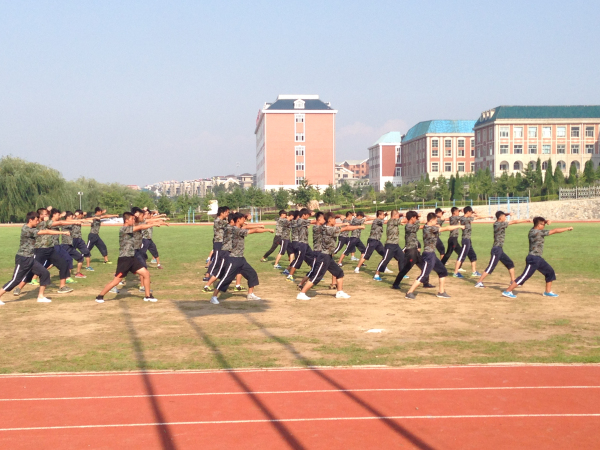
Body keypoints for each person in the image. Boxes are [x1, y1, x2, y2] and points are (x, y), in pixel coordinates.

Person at [0, 211, 69, 304]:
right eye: (36, 220)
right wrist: (63, 232)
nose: (37, 222)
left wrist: (45, 216)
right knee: (15, 280)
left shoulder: (32, 227)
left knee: (45, 273)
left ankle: (40, 296)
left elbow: (45, 225)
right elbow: (46, 231)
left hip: (30, 258)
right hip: (23, 258)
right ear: (30, 220)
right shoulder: (27, 229)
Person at [95, 212, 162, 303]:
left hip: (132, 258)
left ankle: (148, 296)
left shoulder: (130, 227)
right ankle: (100, 296)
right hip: (125, 259)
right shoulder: (124, 229)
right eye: (132, 219)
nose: (133, 220)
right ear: (126, 220)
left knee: (146, 274)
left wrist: (150, 221)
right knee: (116, 281)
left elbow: (140, 224)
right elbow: (140, 227)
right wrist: (153, 224)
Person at [296, 212, 364, 300]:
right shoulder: (329, 229)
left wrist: (338, 216)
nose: (335, 221)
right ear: (329, 220)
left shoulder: (324, 227)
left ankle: (339, 292)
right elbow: (346, 228)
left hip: (328, 256)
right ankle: (301, 293)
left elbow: (333, 224)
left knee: (339, 273)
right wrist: (359, 227)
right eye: (334, 219)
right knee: (316, 277)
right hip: (323, 256)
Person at [210, 213, 274, 304]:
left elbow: (247, 227)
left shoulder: (237, 229)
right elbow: (254, 230)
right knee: (226, 279)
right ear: (238, 220)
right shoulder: (235, 230)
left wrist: (257, 226)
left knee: (252, 274)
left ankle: (250, 294)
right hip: (233, 259)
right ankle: (214, 297)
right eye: (243, 219)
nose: (244, 221)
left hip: (241, 259)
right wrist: (268, 230)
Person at [502, 217, 573, 299]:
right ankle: (507, 291)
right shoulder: (537, 232)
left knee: (550, 272)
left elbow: (539, 223)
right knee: (524, 277)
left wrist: (545, 221)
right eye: (543, 225)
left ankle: (547, 292)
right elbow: (555, 230)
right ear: (539, 225)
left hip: (538, 259)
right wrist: (567, 228)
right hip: (533, 259)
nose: (544, 226)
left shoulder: (532, 230)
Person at [404, 212, 464, 299]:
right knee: (424, 275)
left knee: (443, 271)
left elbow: (436, 226)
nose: (436, 222)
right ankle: (409, 292)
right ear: (431, 220)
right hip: (428, 255)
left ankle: (441, 292)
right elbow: (447, 228)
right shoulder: (429, 228)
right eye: (435, 220)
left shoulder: (428, 226)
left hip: (432, 254)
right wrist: (459, 226)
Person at [21, 208, 76, 294]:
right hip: (40, 249)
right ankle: (19, 287)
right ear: (40, 216)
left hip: (50, 249)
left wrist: (76, 221)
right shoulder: (37, 224)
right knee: (34, 269)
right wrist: (65, 230)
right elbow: (58, 224)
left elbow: (58, 222)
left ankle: (62, 287)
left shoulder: (46, 222)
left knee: (64, 264)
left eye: (47, 214)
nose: (47, 216)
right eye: (45, 214)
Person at [475, 212, 531, 288]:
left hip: (499, 250)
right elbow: (514, 222)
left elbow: (501, 215)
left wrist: (507, 213)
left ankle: (512, 281)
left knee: (510, 264)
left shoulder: (498, 222)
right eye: (504, 217)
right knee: (491, 267)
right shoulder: (499, 224)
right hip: (496, 250)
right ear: (500, 218)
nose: (505, 218)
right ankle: (479, 282)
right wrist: (526, 220)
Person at [203, 212, 245, 292]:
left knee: (239, 268)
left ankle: (238, 285)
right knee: (219, 272)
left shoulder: (232, 227)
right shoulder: (230, 228)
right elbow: (245, 228)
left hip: (232, 253)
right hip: (225, 253)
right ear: (232, 221)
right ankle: (206, 286)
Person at [391, 210, 433, 289]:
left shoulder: (412, 224)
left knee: (424, 266)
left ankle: (426, 283)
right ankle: (395, 284)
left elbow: (417, 225)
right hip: (410, 251)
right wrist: (426, 222)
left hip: (415, 250)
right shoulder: (408, 226)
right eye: (415, 218)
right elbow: (417, 227)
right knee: (406, 268)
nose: (416, 219)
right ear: (412, 218)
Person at [451, 206, 491, 279]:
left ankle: (474, 272)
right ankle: (455, 273)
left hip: (468, 240)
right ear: (468, 212)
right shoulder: (464, 218)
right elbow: (477, 217)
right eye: (470, 212)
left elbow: (475, 215)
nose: (471, 213)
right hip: (465, 240)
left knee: (473, 256)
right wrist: (488, 216)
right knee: (461, 256)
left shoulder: (464, 217)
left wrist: (474, 213)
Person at [284, 208, 315, 282]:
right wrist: (320, 217)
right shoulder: (300, 221)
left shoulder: (300, 221)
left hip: (305, 243)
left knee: (312, 258)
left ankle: (314, 273)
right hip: (300, 243)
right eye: (307, 215)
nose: (308, 216)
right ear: (303, 215)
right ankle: (290, 275)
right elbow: (313, 221)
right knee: (298, 259)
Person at [373, 210, 405, 281]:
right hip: (390, 245)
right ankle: (376, 275)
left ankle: (402, 273)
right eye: (397, 215)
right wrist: (406, 216)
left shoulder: (394, 221)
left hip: (396, 245)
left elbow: (399, 219)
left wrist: (401, 215)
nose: (398, 217)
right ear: (395, 215)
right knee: (385, 260)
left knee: (402, 257)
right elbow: (403, 220)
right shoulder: (391, 221)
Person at [204, 206, 230, 282]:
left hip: (223, 242)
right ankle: (207, 275)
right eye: (227, 212)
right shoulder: (218, 221)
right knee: (216, 259)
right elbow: (230, 225)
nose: (228, 214)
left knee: (223, 259)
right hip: (218, 242)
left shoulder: (222, 221)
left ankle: (222, 274)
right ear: (222, 213)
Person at [61, 211, 89, 279]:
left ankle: (77, 274)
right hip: (65, 245)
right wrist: (76, 219)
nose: (72, 218)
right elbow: (71, 222)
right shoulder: (64, 223)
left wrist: (78, 218)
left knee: (80, 258)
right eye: (71, 217)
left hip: (70, 245)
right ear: (68, 217)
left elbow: (76, 221)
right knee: (65, 260)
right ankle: (67, 277)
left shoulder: (71, 222)